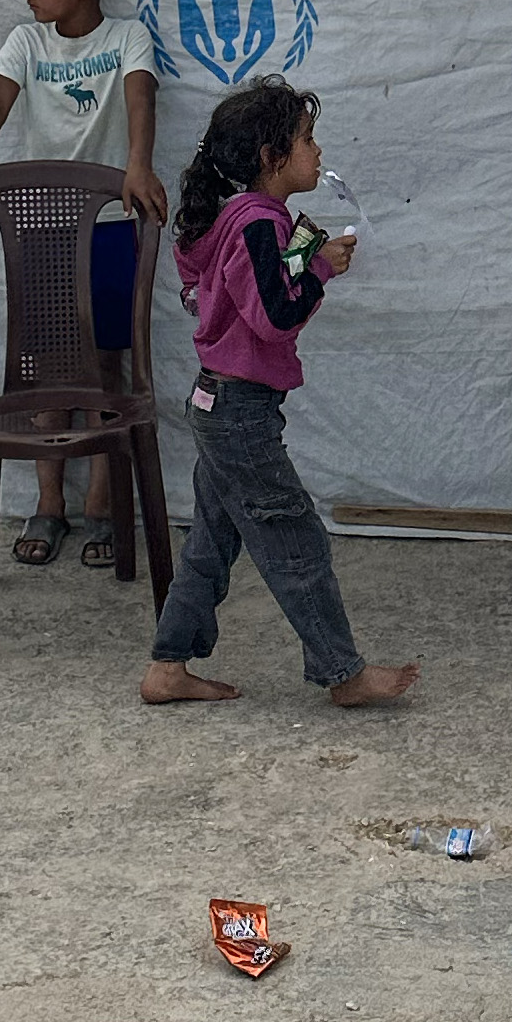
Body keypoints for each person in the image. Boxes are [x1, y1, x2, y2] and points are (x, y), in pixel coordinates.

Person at [139, 77, 418, 712]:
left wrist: (311, 252)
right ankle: (342, 673)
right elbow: (274, 316)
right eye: (307, 140)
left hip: (219, 403)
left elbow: (225, 287)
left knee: (212, 541)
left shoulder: (240, 219)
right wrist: (320, 268)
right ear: (271, 156)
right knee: (297, 541)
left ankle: (168, 666)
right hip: (240, 414)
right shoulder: (259, 221)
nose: (318, 152)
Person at [0, 0, 165, 570]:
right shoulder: (25, 44)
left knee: (107, 367)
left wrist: (139, 165)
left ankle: (100, 507)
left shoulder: (126, 37)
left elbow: (141, 99)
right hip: (43, 232)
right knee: (45, 371)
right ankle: (47, 504)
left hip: (113, 227)